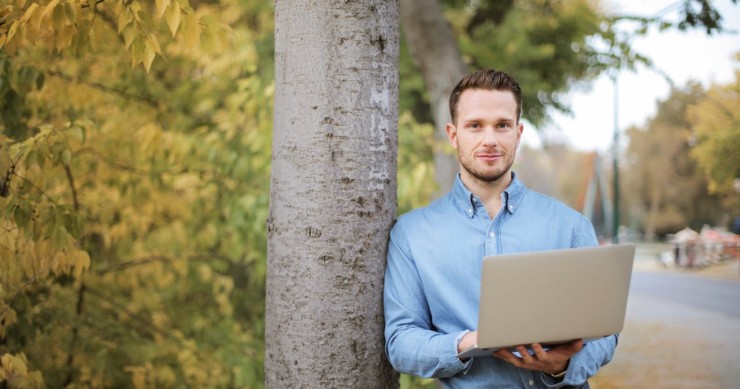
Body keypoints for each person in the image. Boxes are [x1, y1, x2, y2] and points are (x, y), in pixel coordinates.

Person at [383, 68, 617, 388]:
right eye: (475, 126)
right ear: (453, 135)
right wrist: (468, 343)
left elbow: (605, 332)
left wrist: (562, 365)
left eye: (502, 125)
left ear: (518, 133)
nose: (489, 140)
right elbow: (400, 342)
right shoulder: (411, 235)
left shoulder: (571, 226)